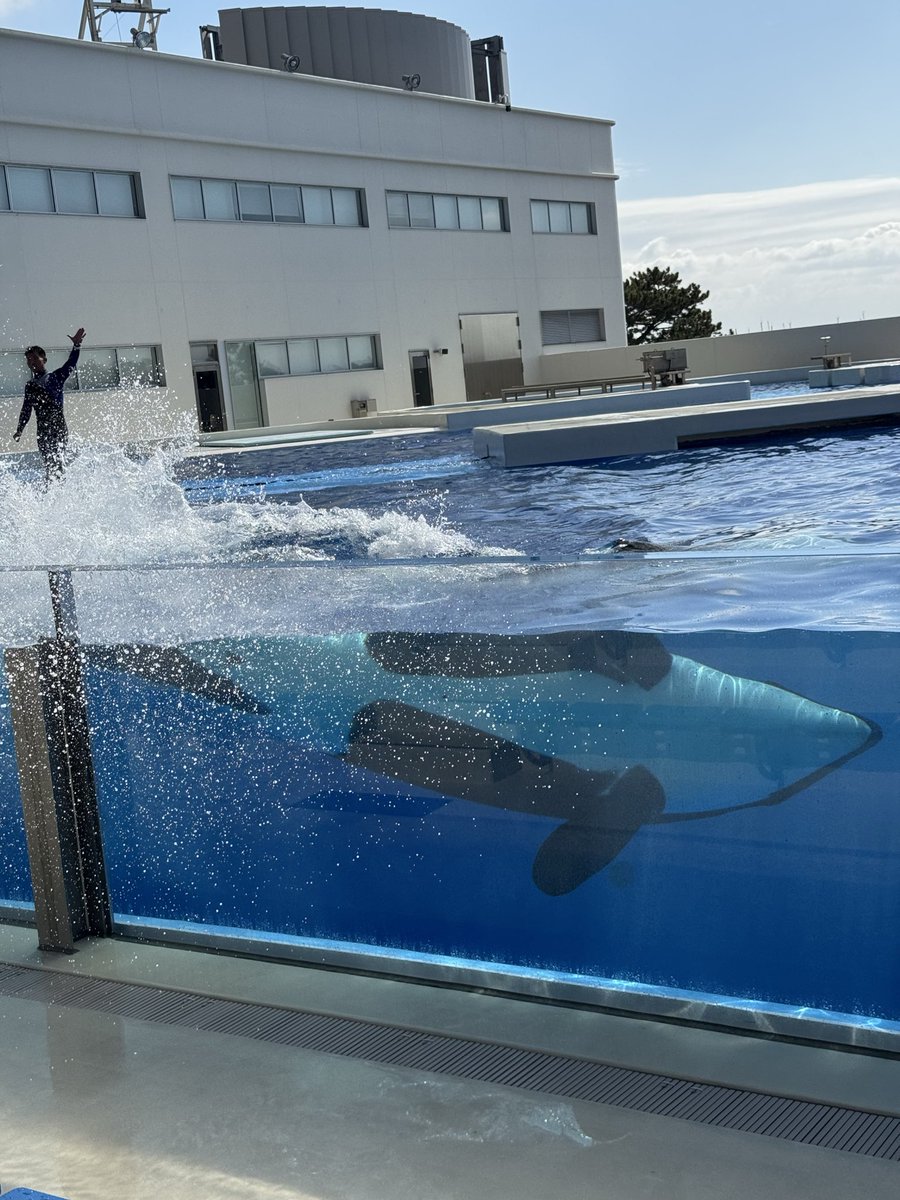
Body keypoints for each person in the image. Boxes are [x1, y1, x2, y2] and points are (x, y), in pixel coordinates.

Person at [12, 327, 85, 483]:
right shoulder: (30, 385)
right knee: (48, 465)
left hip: (58, 427)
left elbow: (71, 364)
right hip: (42, 430)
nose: (31, 362)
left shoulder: (56, 377)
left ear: (44, 359)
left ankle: (63, 488)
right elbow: (26, 409)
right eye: (28, 360)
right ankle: (52, 491)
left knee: (58, 462)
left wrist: (76, 346)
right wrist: (20, 429)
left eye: (34, 358)